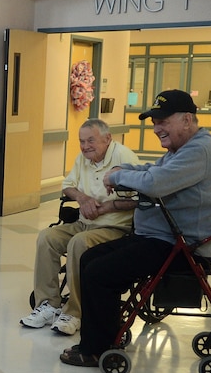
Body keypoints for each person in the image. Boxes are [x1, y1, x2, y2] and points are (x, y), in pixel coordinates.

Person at [61, 89, 211, 366]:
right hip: (160, 238)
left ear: (187, 119)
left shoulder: (200, 151)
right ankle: (103, 335)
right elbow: (152, 170)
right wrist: (124, 171)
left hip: (182, 246)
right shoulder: (182, 149)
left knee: (100, 272)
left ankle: (95, 349)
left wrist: (119, 174)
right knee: (90, 258)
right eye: (154, 122)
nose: (156, 129)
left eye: (163, 121)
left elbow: (155, 183)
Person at [21, 119, 139, 335]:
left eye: (90, 140)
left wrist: (105, 209)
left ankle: (75, 312)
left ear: (108, 138)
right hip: (84, 223)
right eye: (81, 141)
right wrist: (83, 198)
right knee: (47, 237)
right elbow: (68, 186)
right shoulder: (83, 159)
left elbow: (138, 199)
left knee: (79, 243)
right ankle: (47, 304)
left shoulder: (124, 157)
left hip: (115, 228)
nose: (85, 146)